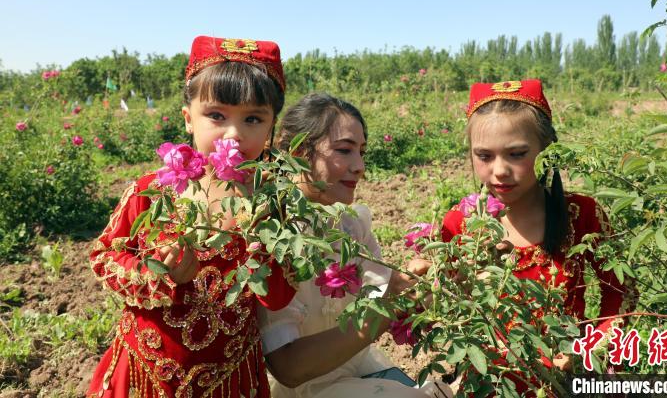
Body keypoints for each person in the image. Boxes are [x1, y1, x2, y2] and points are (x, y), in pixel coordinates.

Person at [87, 36, 297, 398]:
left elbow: (278, 298)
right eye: (216, 115)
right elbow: (104, 256)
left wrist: (263, 245)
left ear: (270, 129)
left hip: (229, 379)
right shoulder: (152, 192)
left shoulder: (272, 201)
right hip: (146, 373)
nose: (233, 133)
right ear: (188, 119)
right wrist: (161, 274)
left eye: (253, 119)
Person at [441, 80, 636, 394]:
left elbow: (623, 292)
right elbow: (449, 305)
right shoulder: (458, 224)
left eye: (517, 154)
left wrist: (589, 348)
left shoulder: (582, 214)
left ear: (548, 152)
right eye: (484, 156)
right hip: (491, 382)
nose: (500, 170)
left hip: (564, 382)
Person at [258, 93, 452, 398]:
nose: (359, 166)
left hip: (353, 369)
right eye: (344, 151)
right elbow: (290, 369)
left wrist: (414, 283)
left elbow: (382, 293)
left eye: (361, 152)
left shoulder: (350, 223)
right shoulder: (274, 237)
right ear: (297, 152)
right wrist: (390, 307)